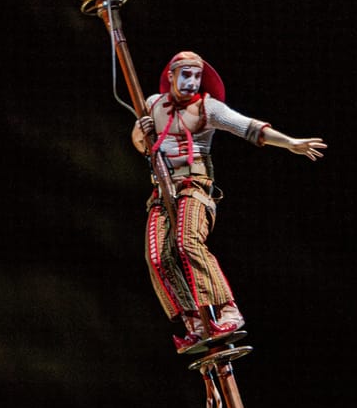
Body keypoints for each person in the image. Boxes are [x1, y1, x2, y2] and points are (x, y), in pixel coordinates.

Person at [134, 52, 327, 350]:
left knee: (187, 241)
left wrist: (290, 143)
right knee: (157, 255)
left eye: (196, 76)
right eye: (185, 74)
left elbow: (247, 127)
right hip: (161, 190)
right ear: (171, 75)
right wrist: (142, 134)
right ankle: (194, 322)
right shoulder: (153, 104)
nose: (192, 82)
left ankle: (227, 310)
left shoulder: (207, 108)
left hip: (194, 186)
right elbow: (138, 140)